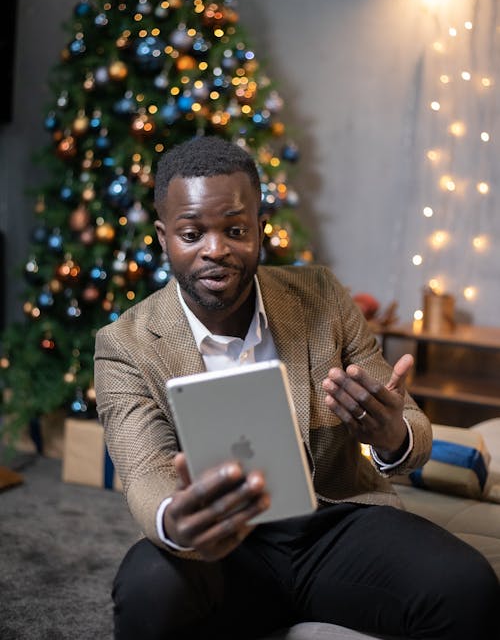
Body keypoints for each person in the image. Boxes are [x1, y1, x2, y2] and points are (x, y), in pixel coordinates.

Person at [94, 136, 499, 640]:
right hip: (219, 544)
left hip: (332, 523)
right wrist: (175, 519)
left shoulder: (322, 296)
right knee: (147, 591)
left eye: (235, 230)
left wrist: (392, 434)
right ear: (164, 237)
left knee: (469, 587)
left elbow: (409, 425)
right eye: (192, 233)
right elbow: (143, 470)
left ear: (261, 229)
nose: (215, 250)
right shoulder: (125, 345)